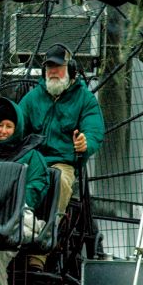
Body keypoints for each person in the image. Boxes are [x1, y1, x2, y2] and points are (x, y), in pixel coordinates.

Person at [18, 43, 105, 270]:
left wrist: (85, 143)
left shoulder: (84, 99)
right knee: (13, 178)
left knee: (61, 183)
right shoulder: (33, 98)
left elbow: (94, 130)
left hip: (62, 163)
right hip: (32, 160)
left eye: (58, 67)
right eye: (49, 67)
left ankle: (43, 247)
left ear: (71, 70)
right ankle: (13, 234)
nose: (53, 72)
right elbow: (15, 124)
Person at [0, 97, 50, 285]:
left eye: (9, 126)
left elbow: (35, 190)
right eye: (0, 126)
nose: (3, 131)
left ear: (18, 129)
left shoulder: (33, 157)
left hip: (20, 217)